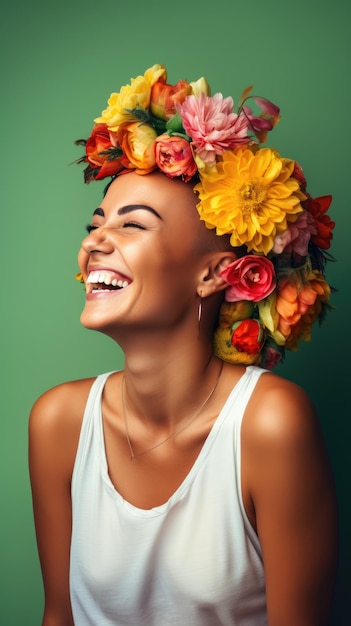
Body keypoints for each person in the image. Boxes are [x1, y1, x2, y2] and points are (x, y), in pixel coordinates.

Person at [29, 64, 338, 626]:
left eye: (133, 226)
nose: (95, 240)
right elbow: (59, 615)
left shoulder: (271, 423)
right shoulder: (58, 422)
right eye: (96, 223)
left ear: (217, 274)